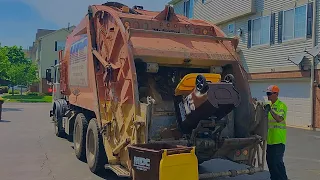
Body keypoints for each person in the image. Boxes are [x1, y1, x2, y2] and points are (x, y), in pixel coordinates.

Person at [264, 85, 288, 180]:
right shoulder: (269, 106)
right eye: (267, 94)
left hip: (278, 141)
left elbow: (279, 119)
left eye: (269, 94)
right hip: (270, 140)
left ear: (276, 94)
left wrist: (270, 110)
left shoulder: (281, 106)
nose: (268, 96)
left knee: (277, 164)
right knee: (270, 163)